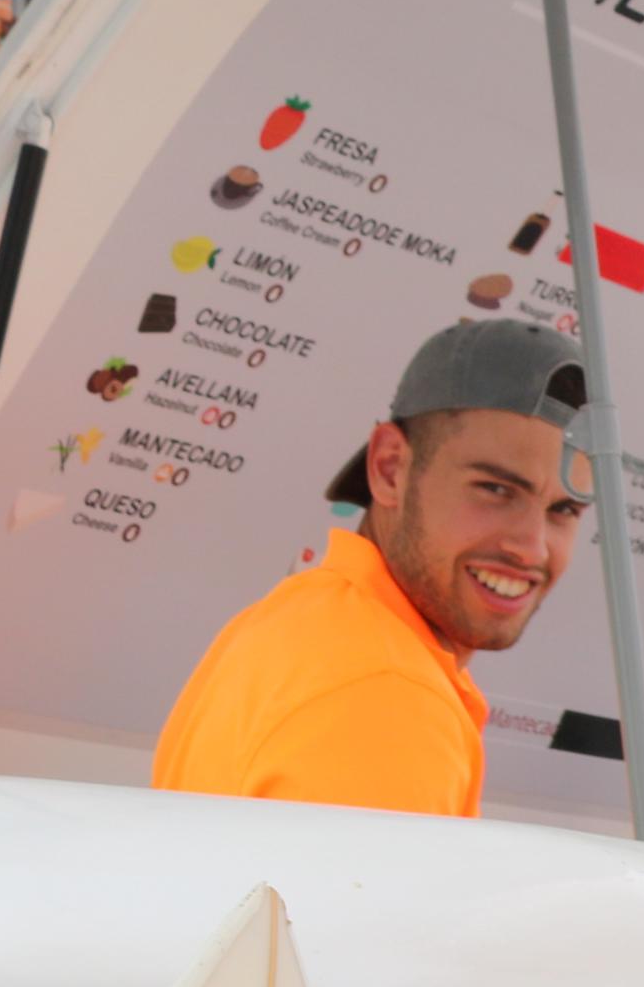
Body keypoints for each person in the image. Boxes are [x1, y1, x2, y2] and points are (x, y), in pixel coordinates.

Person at [151, 320, 592, 814]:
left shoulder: (298, 617)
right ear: (389, 468)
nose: (531, 549)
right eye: (495, 489)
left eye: (565, 510)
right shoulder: (389, 698)